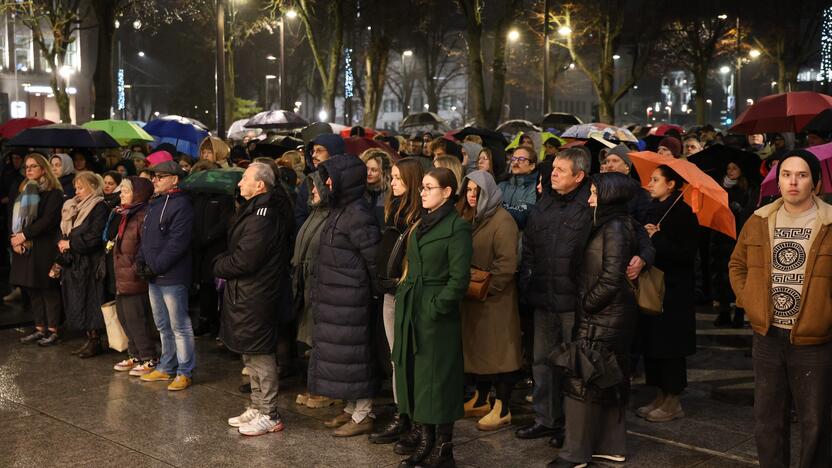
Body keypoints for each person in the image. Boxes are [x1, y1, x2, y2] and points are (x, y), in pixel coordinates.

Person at [729, 150, 832, 468]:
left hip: (814, 341)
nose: (793, 181)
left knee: (816, 423)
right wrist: (751, 302)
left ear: (815, 182)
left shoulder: (829, 222)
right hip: (768, 337)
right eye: (787, 174)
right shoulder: (759, 219)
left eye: (802, 175)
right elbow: (737, 264)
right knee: (767, 421)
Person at [547, 172, 640, 468]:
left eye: (595, 194)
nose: (589, 199)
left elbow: (611, 277)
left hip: (602, 315)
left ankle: (574, 453)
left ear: (610, 196)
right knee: (606, 379)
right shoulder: (615, 224)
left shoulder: (614, 227)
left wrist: (588, 304)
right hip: (608, 315)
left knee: (582, 380)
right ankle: (611, 446)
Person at [393, 167, 472, 467]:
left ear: (448, 192)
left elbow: (459, 279)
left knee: (437, 378)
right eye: (422, 187)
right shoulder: (421, 222)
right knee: (414, 373)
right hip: (412, 306)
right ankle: (424, 437)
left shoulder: (458, 227)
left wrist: (436, 307)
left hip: (435, 313)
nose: (422, 192)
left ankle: (442, 445)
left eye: (429, 187)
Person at [516, 148, 593, 448]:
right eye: (553, 169)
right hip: (543, 297)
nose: (553, 174)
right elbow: (530, 249)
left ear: (579, 176)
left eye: (561, 170)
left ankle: (571, 424)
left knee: (572, 367)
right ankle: (545, 419)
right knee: (542, 362)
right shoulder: (543, 203)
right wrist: (528, 282)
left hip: (574, 302)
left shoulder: (590, 205)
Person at [307, 154, 381, 437]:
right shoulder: (341, 210)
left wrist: (373, 292)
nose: (326, 182)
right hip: (337, 297)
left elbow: (373, 258)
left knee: (356, 357)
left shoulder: (357, 213)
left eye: (330, 176)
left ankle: (364, 414)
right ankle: (352, 408)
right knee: (344, 358)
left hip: (352, 298)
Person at [215, 162, 291, 436]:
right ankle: (258, 406)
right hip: (248, 293)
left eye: (244, 178)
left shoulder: (264, 214)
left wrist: (219, 265)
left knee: (260, 353)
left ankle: (269, 413)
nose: (239, 183)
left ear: (260, 185)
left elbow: (247, 259)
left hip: (257, 293)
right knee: (250, 352)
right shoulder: (256, 209)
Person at [457, 170, 522, 431]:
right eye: (469, 190)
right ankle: (482, 398)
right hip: (474, 298)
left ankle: (502, 406)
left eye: (478, 191)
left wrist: (484, 288)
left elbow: (506, 265)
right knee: (479, 353)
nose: (472, 196)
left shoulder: (502, 221)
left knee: (501, 355)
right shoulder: (470, 217)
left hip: (495, 301)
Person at [368, 158, 424, 445]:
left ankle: (413, 419)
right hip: (389, 291)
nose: (392, 182)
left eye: (398, 178)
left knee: (406, 359)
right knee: (395, 358)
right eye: (392, 177)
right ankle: (402, 414)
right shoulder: (395, 210)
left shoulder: (418, 216)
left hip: (406, 293)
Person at [637, 164, 698, 422]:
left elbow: (686, 255)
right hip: (652, 288)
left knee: (671, 347)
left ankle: (673, 400)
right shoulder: (652, 210)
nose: (650, 184)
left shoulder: (683, 214)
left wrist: (657, 239)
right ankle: (660, 395)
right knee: (654, 344)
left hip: (674, 292)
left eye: (655, 180)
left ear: (671, 184)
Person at [136, 160, 195, 391]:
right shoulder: (154, 204)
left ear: (175, 179)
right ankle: (167, 366)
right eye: (154, 176)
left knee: (179, 325)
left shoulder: (182, 205)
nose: (154, 180)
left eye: (160, 177)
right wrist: (140, 261)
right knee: (162, 324)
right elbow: (146, 238)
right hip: (154, 275)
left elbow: (177, 243)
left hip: (172, 275)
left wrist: (156, 266)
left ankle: (185, 371)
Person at [291, 170, 336, 410]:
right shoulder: (315, 213)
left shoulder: (331, 216)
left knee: (319, 339)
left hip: (319, 284)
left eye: (317, 186)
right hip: (307, 283)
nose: (313, 191)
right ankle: (316, 386)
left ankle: (324, 390)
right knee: (311, 339)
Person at [11, 154, 64, 346]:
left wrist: (24, 235)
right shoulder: (24, 190)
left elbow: (48, 221)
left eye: (34, 166)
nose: (29, 170)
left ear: (43, 169)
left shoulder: (54, 193)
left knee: (47, 289)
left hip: (44, 246)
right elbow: (15, 218)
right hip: (25, 247)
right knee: (32, 289)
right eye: (27, 167)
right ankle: (39, 328)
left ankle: (53, 330)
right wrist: (15, 239)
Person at [57, 171, 109, 358]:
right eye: (76, 188)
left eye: (81, 188)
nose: (77, 192)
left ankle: (95, 340)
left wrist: (71, 243)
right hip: (75, 264)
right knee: (79, 301)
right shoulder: (74, 207)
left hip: (90, 263)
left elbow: (95, 237)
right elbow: (66, 231)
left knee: (90, 301)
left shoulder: (99, 207)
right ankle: (89, 338)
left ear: (93, 188)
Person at [112, 176, 159, 376]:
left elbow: (145, 247)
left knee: (137, 318)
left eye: (125, 191)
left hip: (134, 275)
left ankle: (149, 357)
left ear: (138, 194)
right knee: (124, 317)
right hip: (122, 274)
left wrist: (135, 269)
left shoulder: (144, 215)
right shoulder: (126, 214)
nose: (121, 194)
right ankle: (135, 354)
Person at [190, 160, 234, 337]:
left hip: (215, 249)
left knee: (215, 287)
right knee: (203, 286)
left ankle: (216, 323)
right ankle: (204, 320)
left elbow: (225, 222)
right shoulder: (196, 197)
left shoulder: (223, 197)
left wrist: (207, 237)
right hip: (198, 249)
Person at [712, 161, 753, 328]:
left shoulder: (746, 189)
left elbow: (750, 212)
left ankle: (738, 313)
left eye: (735, 167)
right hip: (720, 236)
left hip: (738, 237)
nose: (731, 171)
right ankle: (723, 312)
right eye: (728, 168)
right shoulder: (718, 187)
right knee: (721, 277)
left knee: (738, 276)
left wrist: (739, 210)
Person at [498, 144, 538, 230]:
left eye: (521, 159)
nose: (515, 162)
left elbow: (522, 217)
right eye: (513, 159)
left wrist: (499, 207)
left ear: (532, 166)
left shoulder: (536, 187)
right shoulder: (502, 185)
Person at [360, 149, 392, 230]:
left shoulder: (389, 195)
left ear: (383, 172)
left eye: (374, 170)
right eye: (366, 169)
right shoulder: (359, 191)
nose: (368, 173)